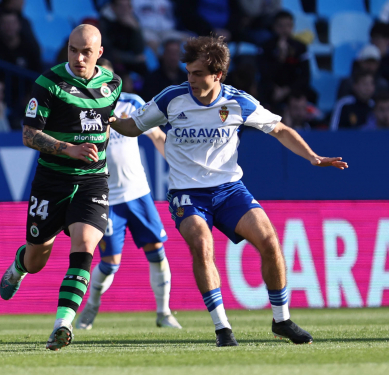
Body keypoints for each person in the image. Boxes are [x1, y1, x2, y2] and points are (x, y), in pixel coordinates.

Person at [109, 35, 347, 346]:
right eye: (188, 72)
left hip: (229, 189)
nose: (190, 79)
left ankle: (282, 320)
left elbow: (280, 129)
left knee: (270, 242)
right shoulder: (171, 99)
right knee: (202, 246)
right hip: (188, 193)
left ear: (217, 75)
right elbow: (132, 127)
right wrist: (106, 117)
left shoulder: (238, 102)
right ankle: (223, 328)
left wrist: (313, 157)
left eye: (197, 74)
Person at [0, 24, 122, 351]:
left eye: (85, 52)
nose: (79, 58)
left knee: (84, 245)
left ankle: (63, 323)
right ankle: (19, 266)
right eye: (72, 50)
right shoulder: (48, 83)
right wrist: (69, 149)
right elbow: (28, 135)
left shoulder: (112, 84)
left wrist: (96, 149)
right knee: (37, 259)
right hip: (52, 181)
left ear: (99, 53)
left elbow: (104, 125)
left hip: (93, 179)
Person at [75, 58, 181, 331]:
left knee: (157, 251)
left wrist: (181, 165)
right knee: (109, 264)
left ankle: (164, 312)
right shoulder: (82, 109)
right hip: (107, 198)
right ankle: (92, 306)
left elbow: (157, 136)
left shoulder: (131, 103)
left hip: (138, 194)